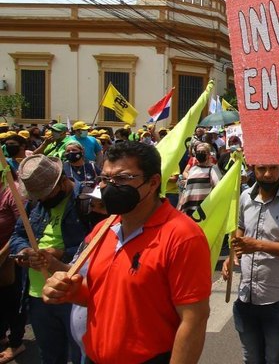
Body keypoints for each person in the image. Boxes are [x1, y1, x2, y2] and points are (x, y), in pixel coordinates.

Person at [42, 141, 211, 363]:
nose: (109, 187)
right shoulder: (102, 231)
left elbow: (194, 319)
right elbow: (98, 293)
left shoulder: (182, 236)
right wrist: (68, 290)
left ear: (152, 182)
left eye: (122, 179)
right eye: (105, 179)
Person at [222, 164, 279, 364]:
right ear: (253, 168)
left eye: (273, 168)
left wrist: (258, 245)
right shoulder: (245, 197)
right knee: (251, 358)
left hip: (278, 299)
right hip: (246, 297)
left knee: (274, 358)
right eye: (262, 169)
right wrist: (233, 254)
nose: (268, 174)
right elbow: (240, 227)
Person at [9, 155, 91, 364]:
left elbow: (98, 246)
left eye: (47, 194)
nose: (42, 199)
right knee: (50, 355)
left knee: (81, 353)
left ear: (63, 182)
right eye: (38, 196)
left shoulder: (87, 202)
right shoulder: (35, 206)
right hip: (38, 296)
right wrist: (25, 252)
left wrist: (60, 253)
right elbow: (17, 235)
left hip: (74, 293)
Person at [0, 169, 26, 364]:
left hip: (9, 257)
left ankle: (16, 342)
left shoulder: (12, 192)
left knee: (12, 299)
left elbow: (22, 227)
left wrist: (5, 254)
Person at [178, 142, 221, 216]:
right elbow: (187, 189)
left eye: (203, 152)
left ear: (208, 154)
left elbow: (218, 187)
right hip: (190, 210)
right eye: (198, 152)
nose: (200, 153)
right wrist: (181, 205)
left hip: (203, 210)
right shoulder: (193, 169)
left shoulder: (212, 169)